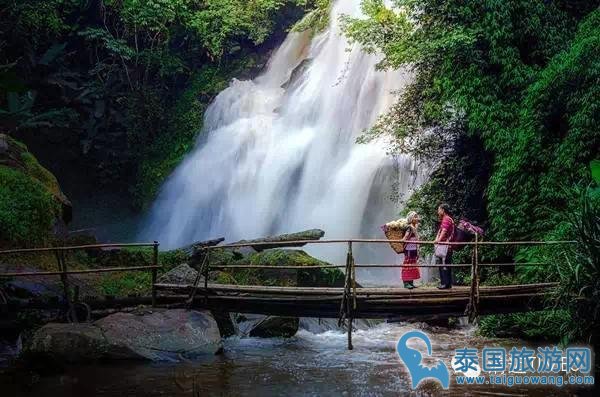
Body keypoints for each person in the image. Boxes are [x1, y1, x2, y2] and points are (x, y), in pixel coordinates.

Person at [434, 203, 455, 289]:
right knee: (446, 264)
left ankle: (445, 284)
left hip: (445, 246)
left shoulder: (446, 219)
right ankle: (448, 284)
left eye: (439, 210)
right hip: (447, 246)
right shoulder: (449, 219)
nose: (438, 212)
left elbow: (444, 231)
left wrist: (438, 241)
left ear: (443, 210)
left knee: (444, 264)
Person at [401, 211, 420, 289]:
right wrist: (402, 240)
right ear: (411, 219)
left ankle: (411, 282)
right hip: (409, 249)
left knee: (412, 265)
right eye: (415, 217)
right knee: (408, 264)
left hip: (414, 248)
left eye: (417, 216)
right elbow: (405, 237)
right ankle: (406, 283)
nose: (417, 218)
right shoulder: (409, 227)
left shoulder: (414, 227)